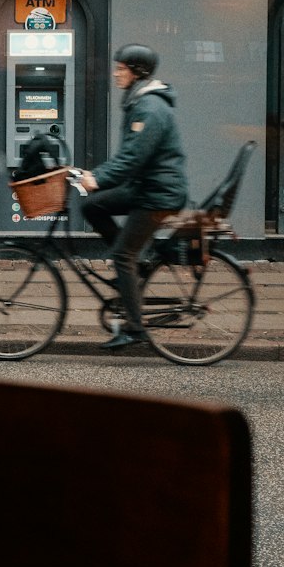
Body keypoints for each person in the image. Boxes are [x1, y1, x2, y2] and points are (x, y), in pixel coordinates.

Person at [78, 45, 188, 351]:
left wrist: (97, 179)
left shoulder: (150, 108)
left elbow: (132, 159)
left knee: (121, 256)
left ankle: (135, 327)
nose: (115, 73)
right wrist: (95, 177)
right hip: (146, 187)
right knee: (92, 206)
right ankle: (136, 267)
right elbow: (127, 158)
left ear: (137, 72)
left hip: (158, 195)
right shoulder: (141, 101)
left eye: (121, 68)